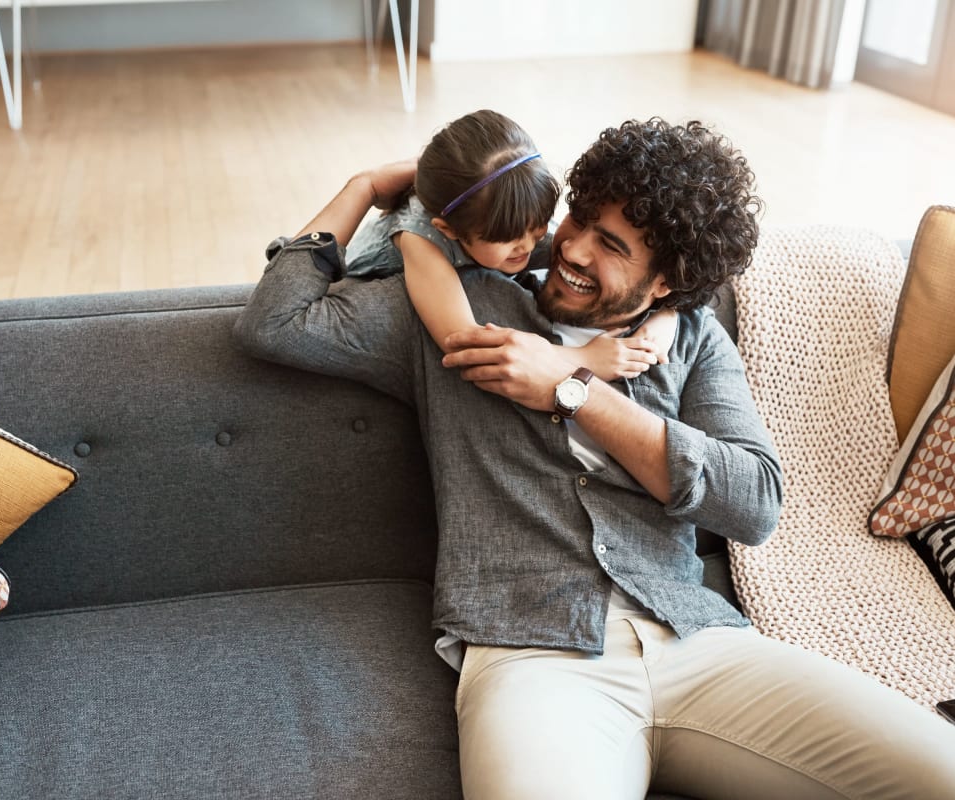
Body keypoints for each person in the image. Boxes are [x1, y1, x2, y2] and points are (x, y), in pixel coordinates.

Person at [235, 117, 955, 799]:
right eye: (579, 218)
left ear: (667, 281)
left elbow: (755, 502)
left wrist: (575, 389)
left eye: (613, 247)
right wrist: (363, 186)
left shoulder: (690, 340)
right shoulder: (452, 310)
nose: (574, 249)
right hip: (534, 656)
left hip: (697, 642)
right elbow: (275, 324)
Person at [346, 108, 677, 379]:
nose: (528, 248)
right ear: (448, 230)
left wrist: (665, 315)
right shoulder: (423, 244)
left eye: (537, 229)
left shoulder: (506, 223)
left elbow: (662, 278)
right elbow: (461, 344)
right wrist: (582, 359)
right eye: (509, 242)